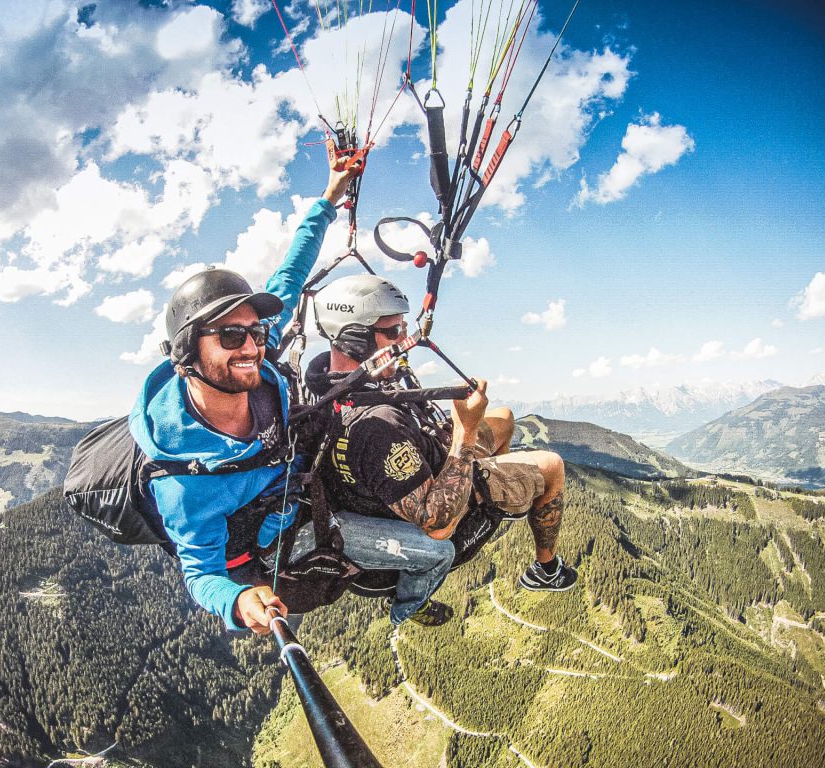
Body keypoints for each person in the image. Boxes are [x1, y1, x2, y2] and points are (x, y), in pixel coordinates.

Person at [127, 160, 359, 636]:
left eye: (255, 331)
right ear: (189, 351)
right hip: (278, 542)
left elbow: (289, 277)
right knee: (421, 543)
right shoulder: (181, 478)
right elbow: (201, 573)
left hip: (298, 491)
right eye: (232, 336)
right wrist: (236, 601)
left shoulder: (252, 357)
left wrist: (329, 197)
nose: (252, 346)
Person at [309, 274, 577, 626]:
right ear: (355, 340)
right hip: (441, 488)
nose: (404, 340)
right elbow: (437, 527)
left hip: (430, 452)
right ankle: (545, 568)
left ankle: (502, 482)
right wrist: (465, 432)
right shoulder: (375, 428)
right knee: (552, 465)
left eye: (402, 328)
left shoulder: (328, 380)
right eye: (393, 333)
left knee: (504, 418)